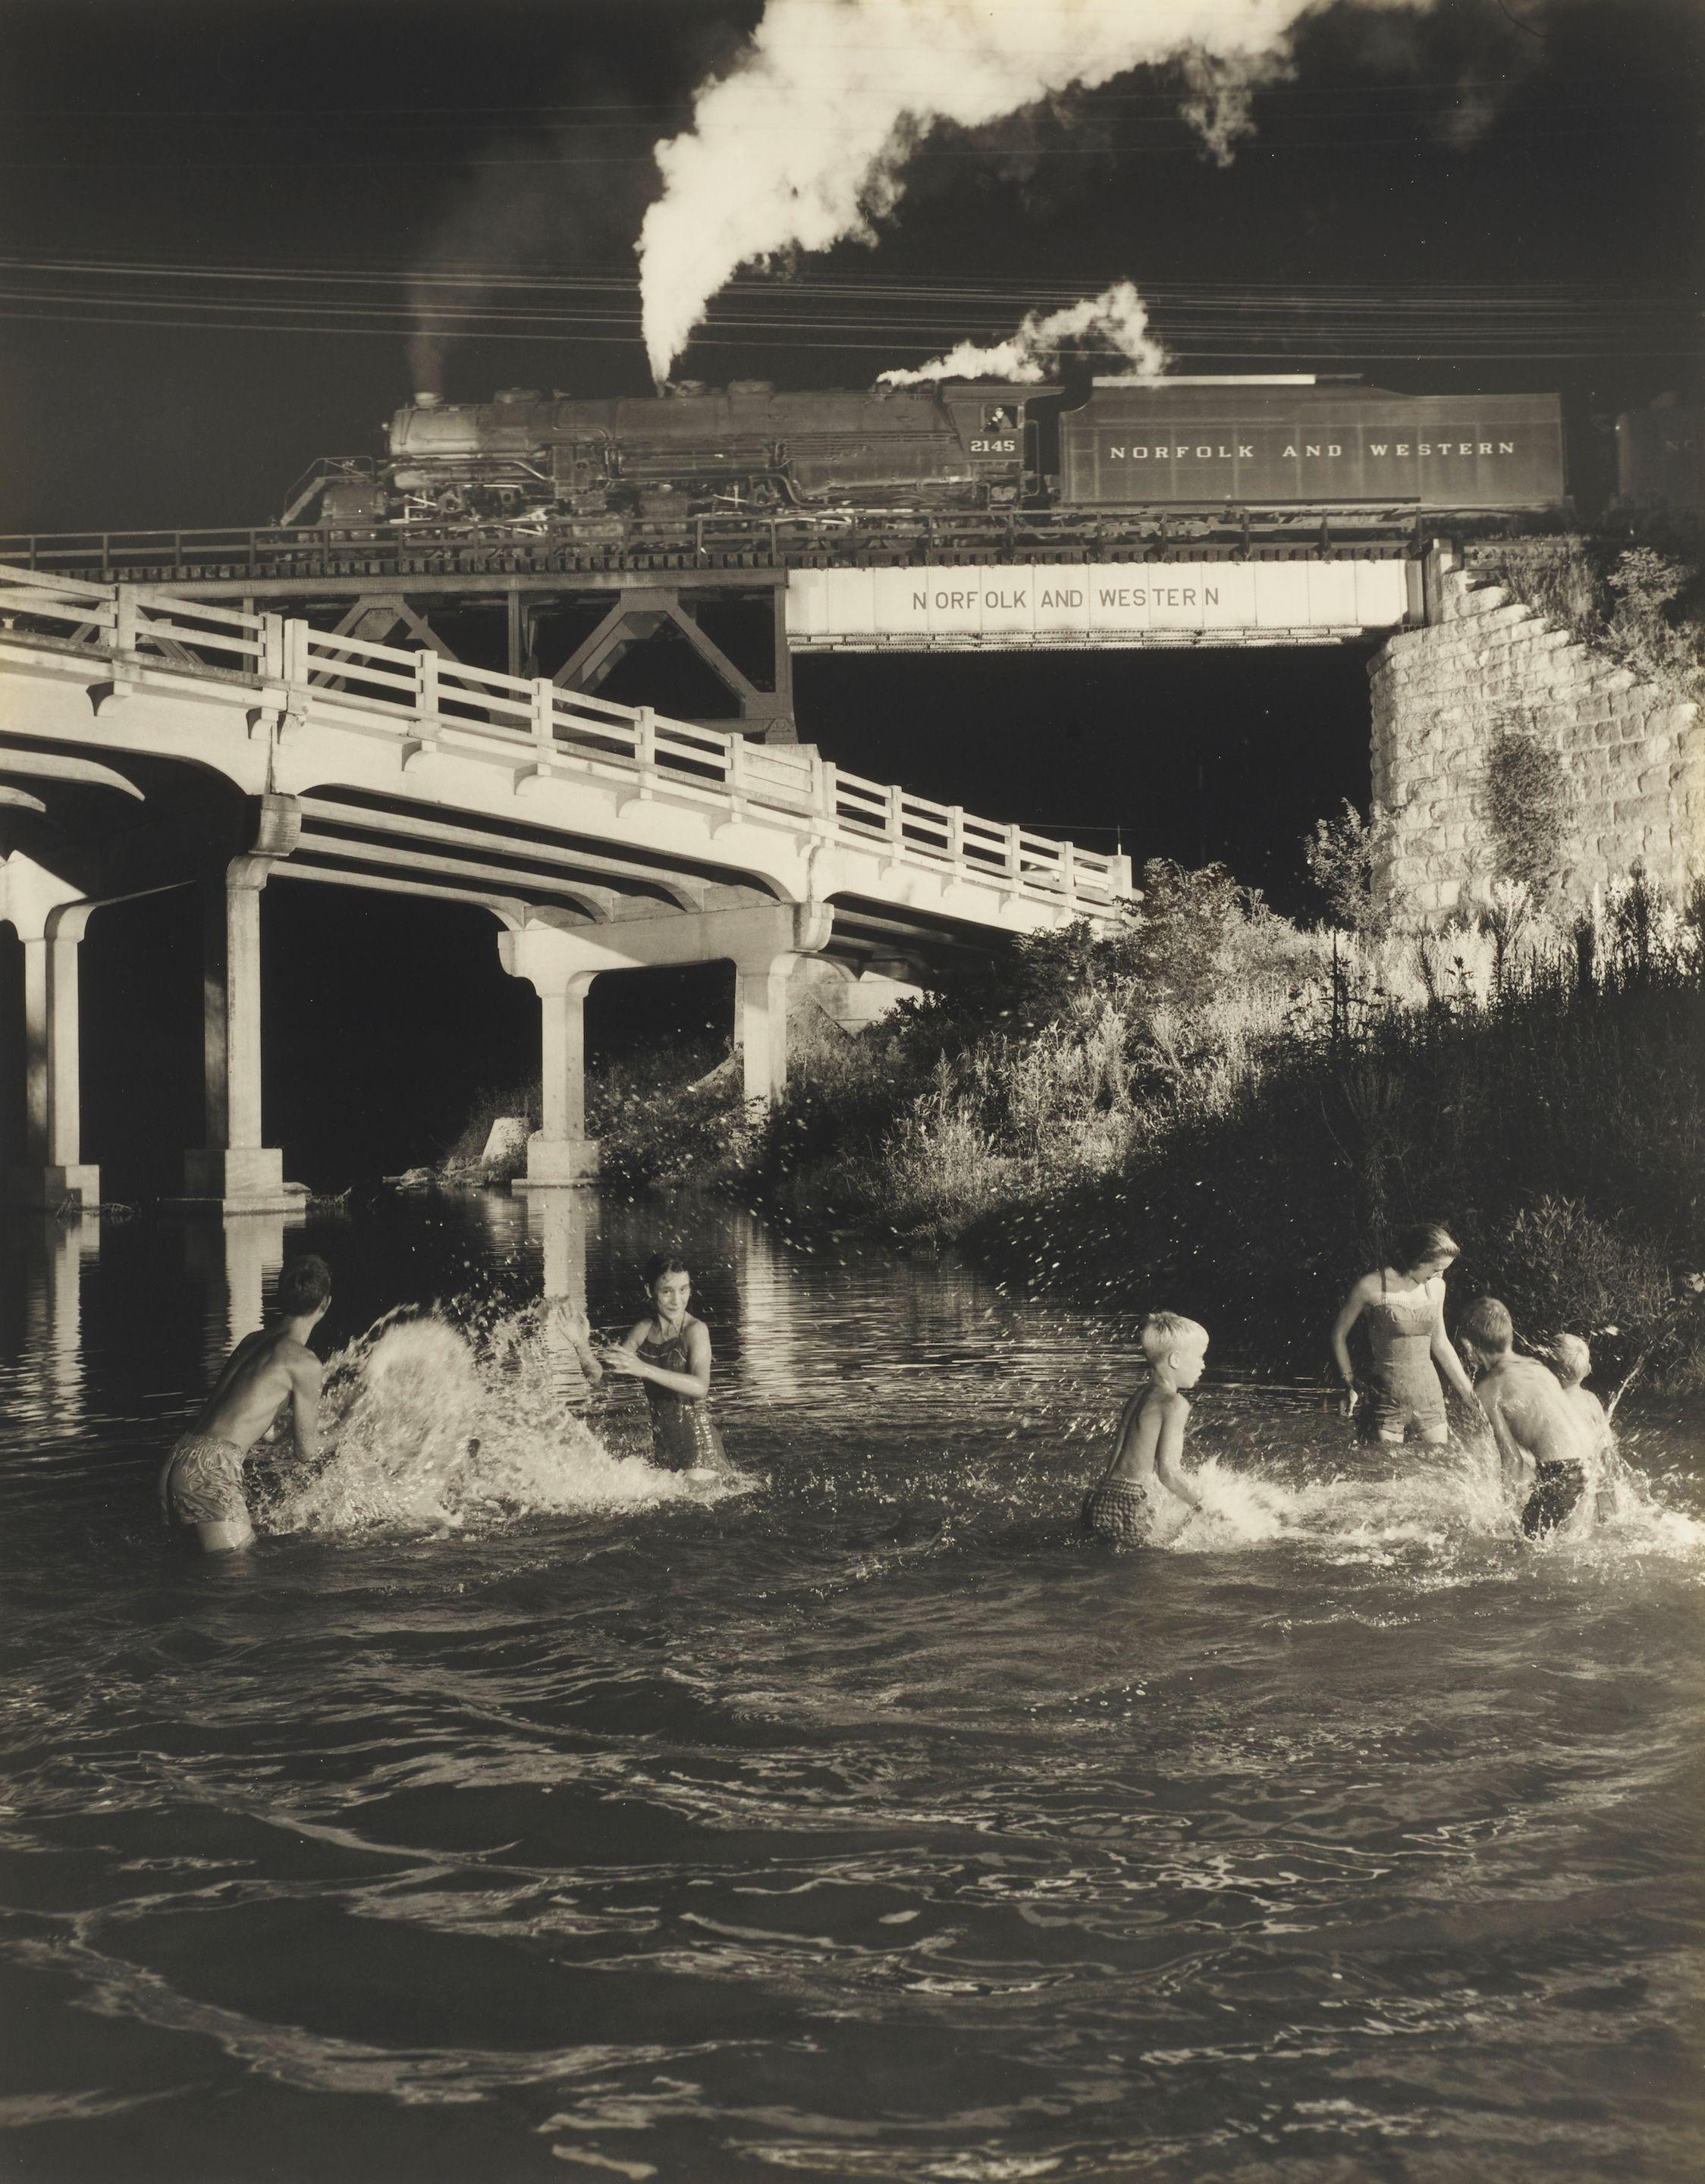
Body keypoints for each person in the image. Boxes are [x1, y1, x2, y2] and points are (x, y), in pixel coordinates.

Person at [159, 1254, 332, 1552]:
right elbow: (306, 1452)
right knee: (236, 1581)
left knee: (192, 1573)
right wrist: (353, 1424)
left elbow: (248, 1419)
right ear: (325, 1303)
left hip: (180, 1456)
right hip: (211, 1470)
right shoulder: (304, 1363)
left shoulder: (253, 1340)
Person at [1456, 1296, 1597, 1538]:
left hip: (1561, 1472)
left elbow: (1512, 1460)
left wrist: (1505, 1511)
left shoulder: (1489, 1391)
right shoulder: (1536, 1366)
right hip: (1585, 1464)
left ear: (1469, 1346)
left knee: (1523, 1546)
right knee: (1557, 1539)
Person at [1330, 1220, 1477, 1446]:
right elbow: (1339, 1335)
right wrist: (1349, 1385)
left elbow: (1441, 1344)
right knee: (1386, 1475)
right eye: (1437, 1269)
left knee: (1436, 1472)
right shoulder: (1370, 1286)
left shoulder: (1437, 1287)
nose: (1440, 1275)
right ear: (1418, 1259)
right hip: (1386, 1398)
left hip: (1429, 1397)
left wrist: (1470, 1396)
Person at [584, 1254, 729, 1473]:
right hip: (665, 1448)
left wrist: (644, 1369)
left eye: (683, 1289)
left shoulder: (695, 1331)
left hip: (700, 1445)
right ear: (650, 1291)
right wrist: (579, 1344)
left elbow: (701, 1386)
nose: (677, 1300)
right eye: (667, 1291)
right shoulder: (643, 1329)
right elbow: (601, 1380)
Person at [1081, 1313, 1210, 1546]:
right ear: (1176, 1360)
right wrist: (1205, 1505)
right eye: (1200, 1357)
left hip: (1100, 1496)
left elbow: (1117, 1461)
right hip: (1127, 1502)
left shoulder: (1138, 1395)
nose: (1203, 1365)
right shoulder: (1175, 1403)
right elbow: (1168, 1473)